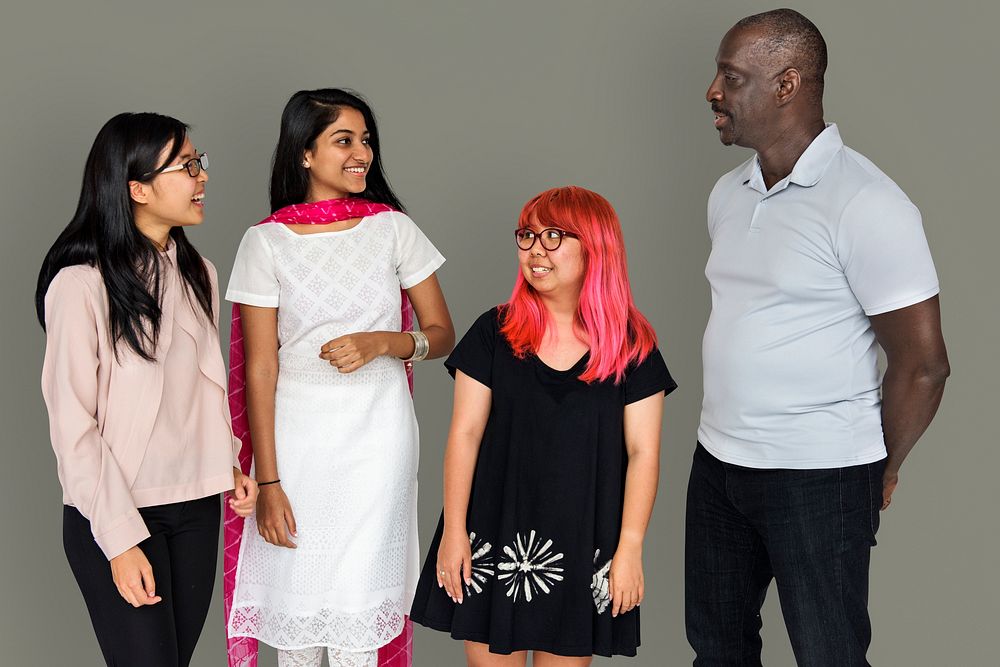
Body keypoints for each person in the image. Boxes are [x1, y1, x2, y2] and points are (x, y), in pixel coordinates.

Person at [688, 9, 951, 666]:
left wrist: (879, 469)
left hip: (819, 474)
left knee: (829, 654)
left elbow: (923, 364)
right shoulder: (729, 194)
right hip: (718, 465)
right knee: (717, 649)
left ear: (788, 84)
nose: (712, 92)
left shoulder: (867, 204)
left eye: (731, 76)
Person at [224, 88, 454, 667]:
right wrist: (270, 483)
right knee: (296, 614)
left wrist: (383, 342)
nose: (363, 154)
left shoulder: (392, 228)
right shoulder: (265, 241)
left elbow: (442, 333)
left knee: (361, 610)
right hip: (296, 442)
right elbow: (260, 366)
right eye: (344, 140)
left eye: (367, 140)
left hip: (378, 437)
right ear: (304, 154)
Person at [410, 186, 677, 666]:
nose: (535, 249)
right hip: (491, 534)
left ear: (595, 245)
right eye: (527, 235)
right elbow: (464, 436)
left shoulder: (632, 344)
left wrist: (631, 546)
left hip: (583, 543)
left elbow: (644, 453)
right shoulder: (493, 332)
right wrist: (454, 531)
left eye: (554, 236)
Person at [37, 112, 257, 666]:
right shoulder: (80, 284)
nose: (201, 176)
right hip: (117, 511)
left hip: (196, 507)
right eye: (186, 166)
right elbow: (72, 424)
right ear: (136, 188)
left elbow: (202, 385)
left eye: (199, 163)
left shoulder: (197, 272)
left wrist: (226, 464)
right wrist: (118, 539)